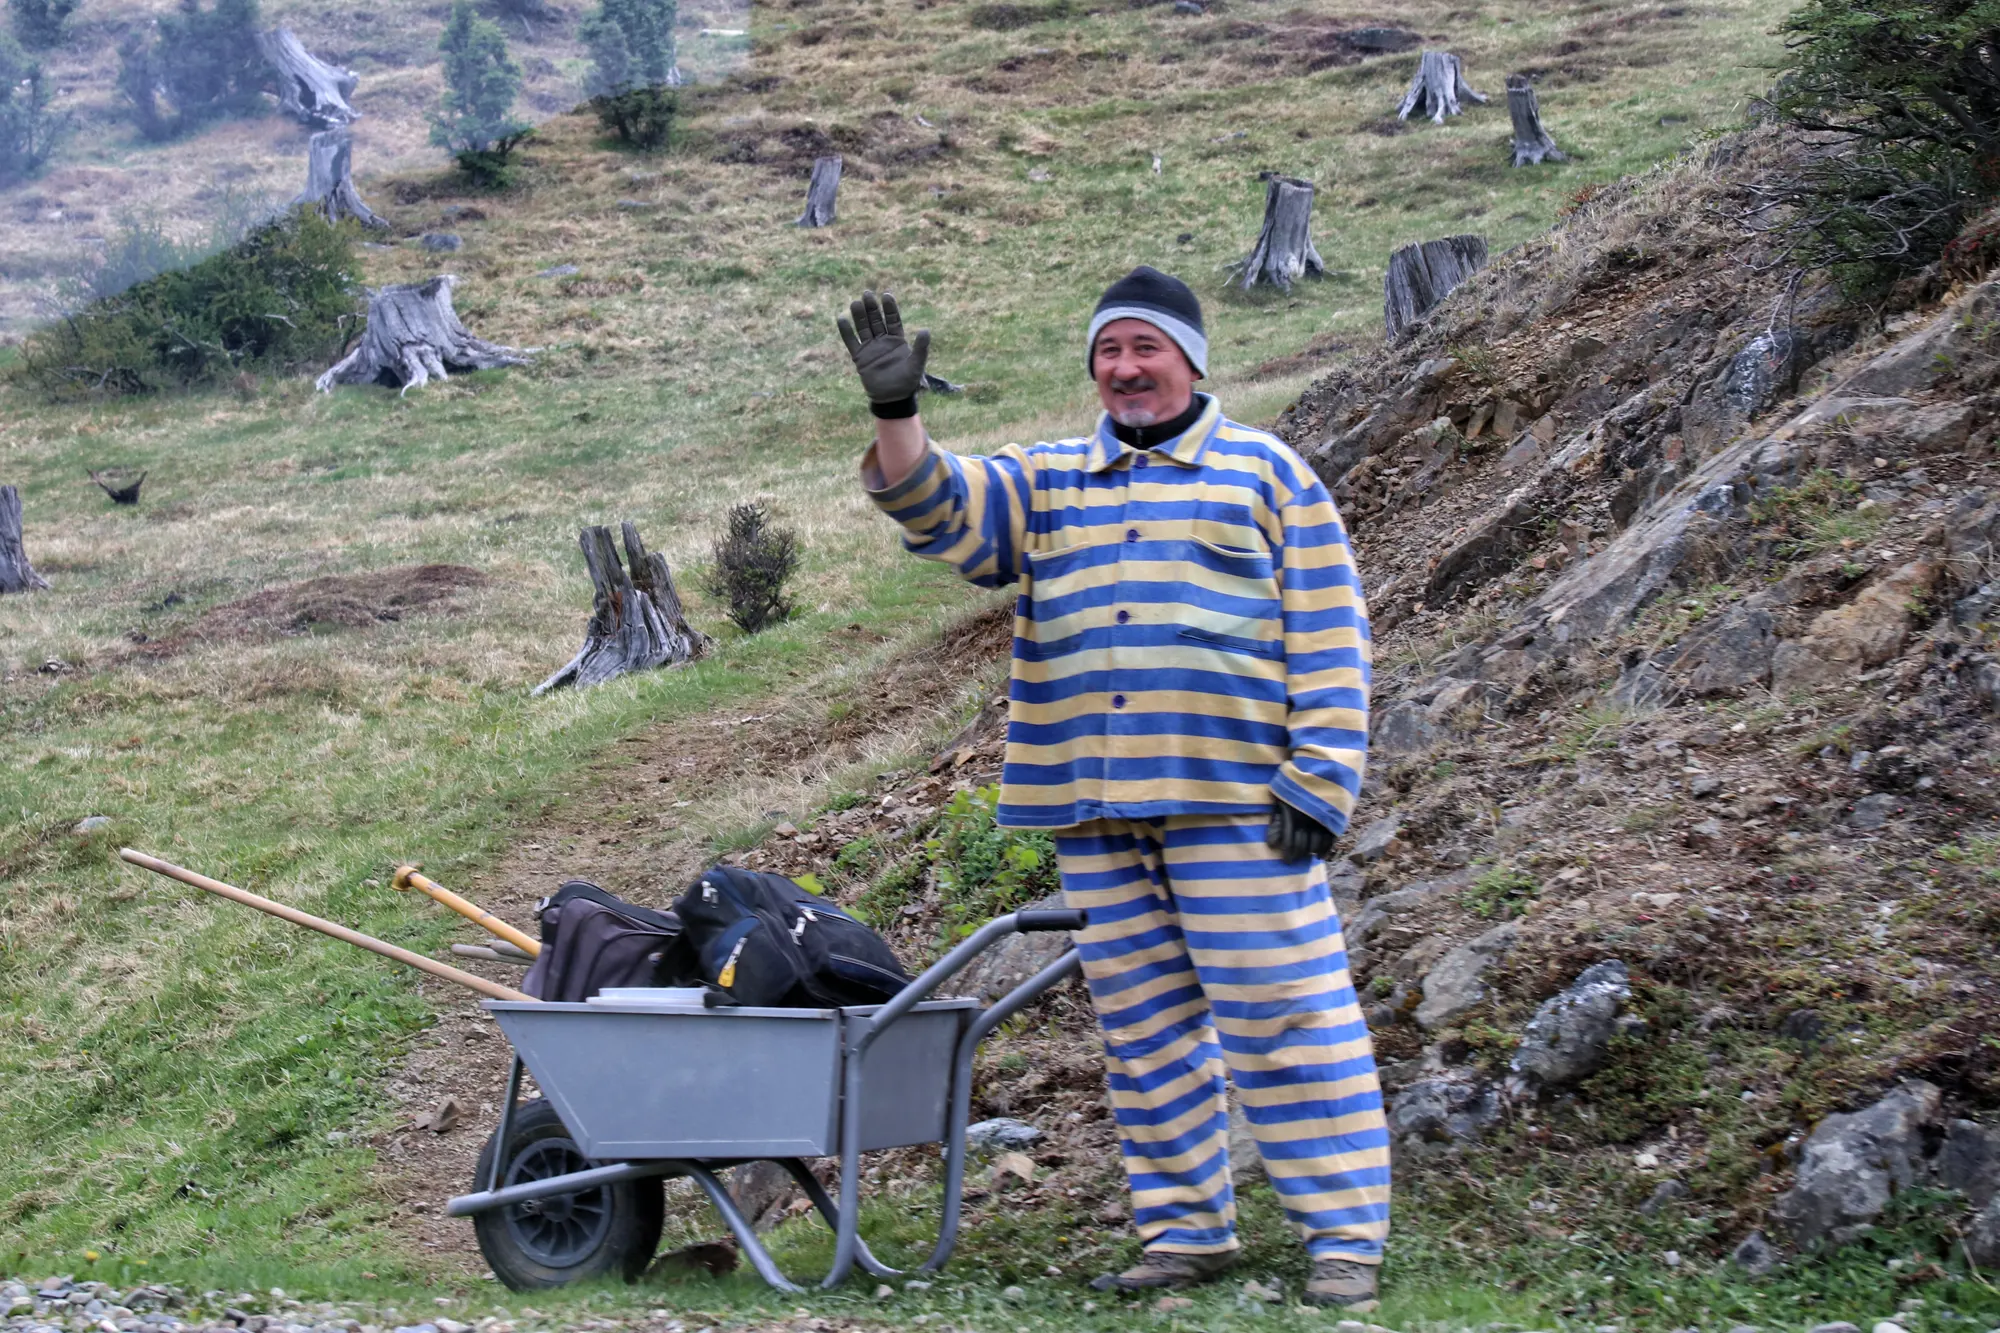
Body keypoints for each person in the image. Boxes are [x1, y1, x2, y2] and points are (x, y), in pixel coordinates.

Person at [838, 267, 1389, 1308]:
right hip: (1093, 812)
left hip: (1238, 809)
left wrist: (1318, 781)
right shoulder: (1047, 481)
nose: (1125, 369)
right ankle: (1185, 1234)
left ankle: (1344, 1240)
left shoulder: (1266, 475)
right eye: (1107, 351)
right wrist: (894, 411)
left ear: (1191, 360)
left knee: (1289, 1017)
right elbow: (937, 507)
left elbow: (1330, 634)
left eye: (1145, 348)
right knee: (1143, 1038)